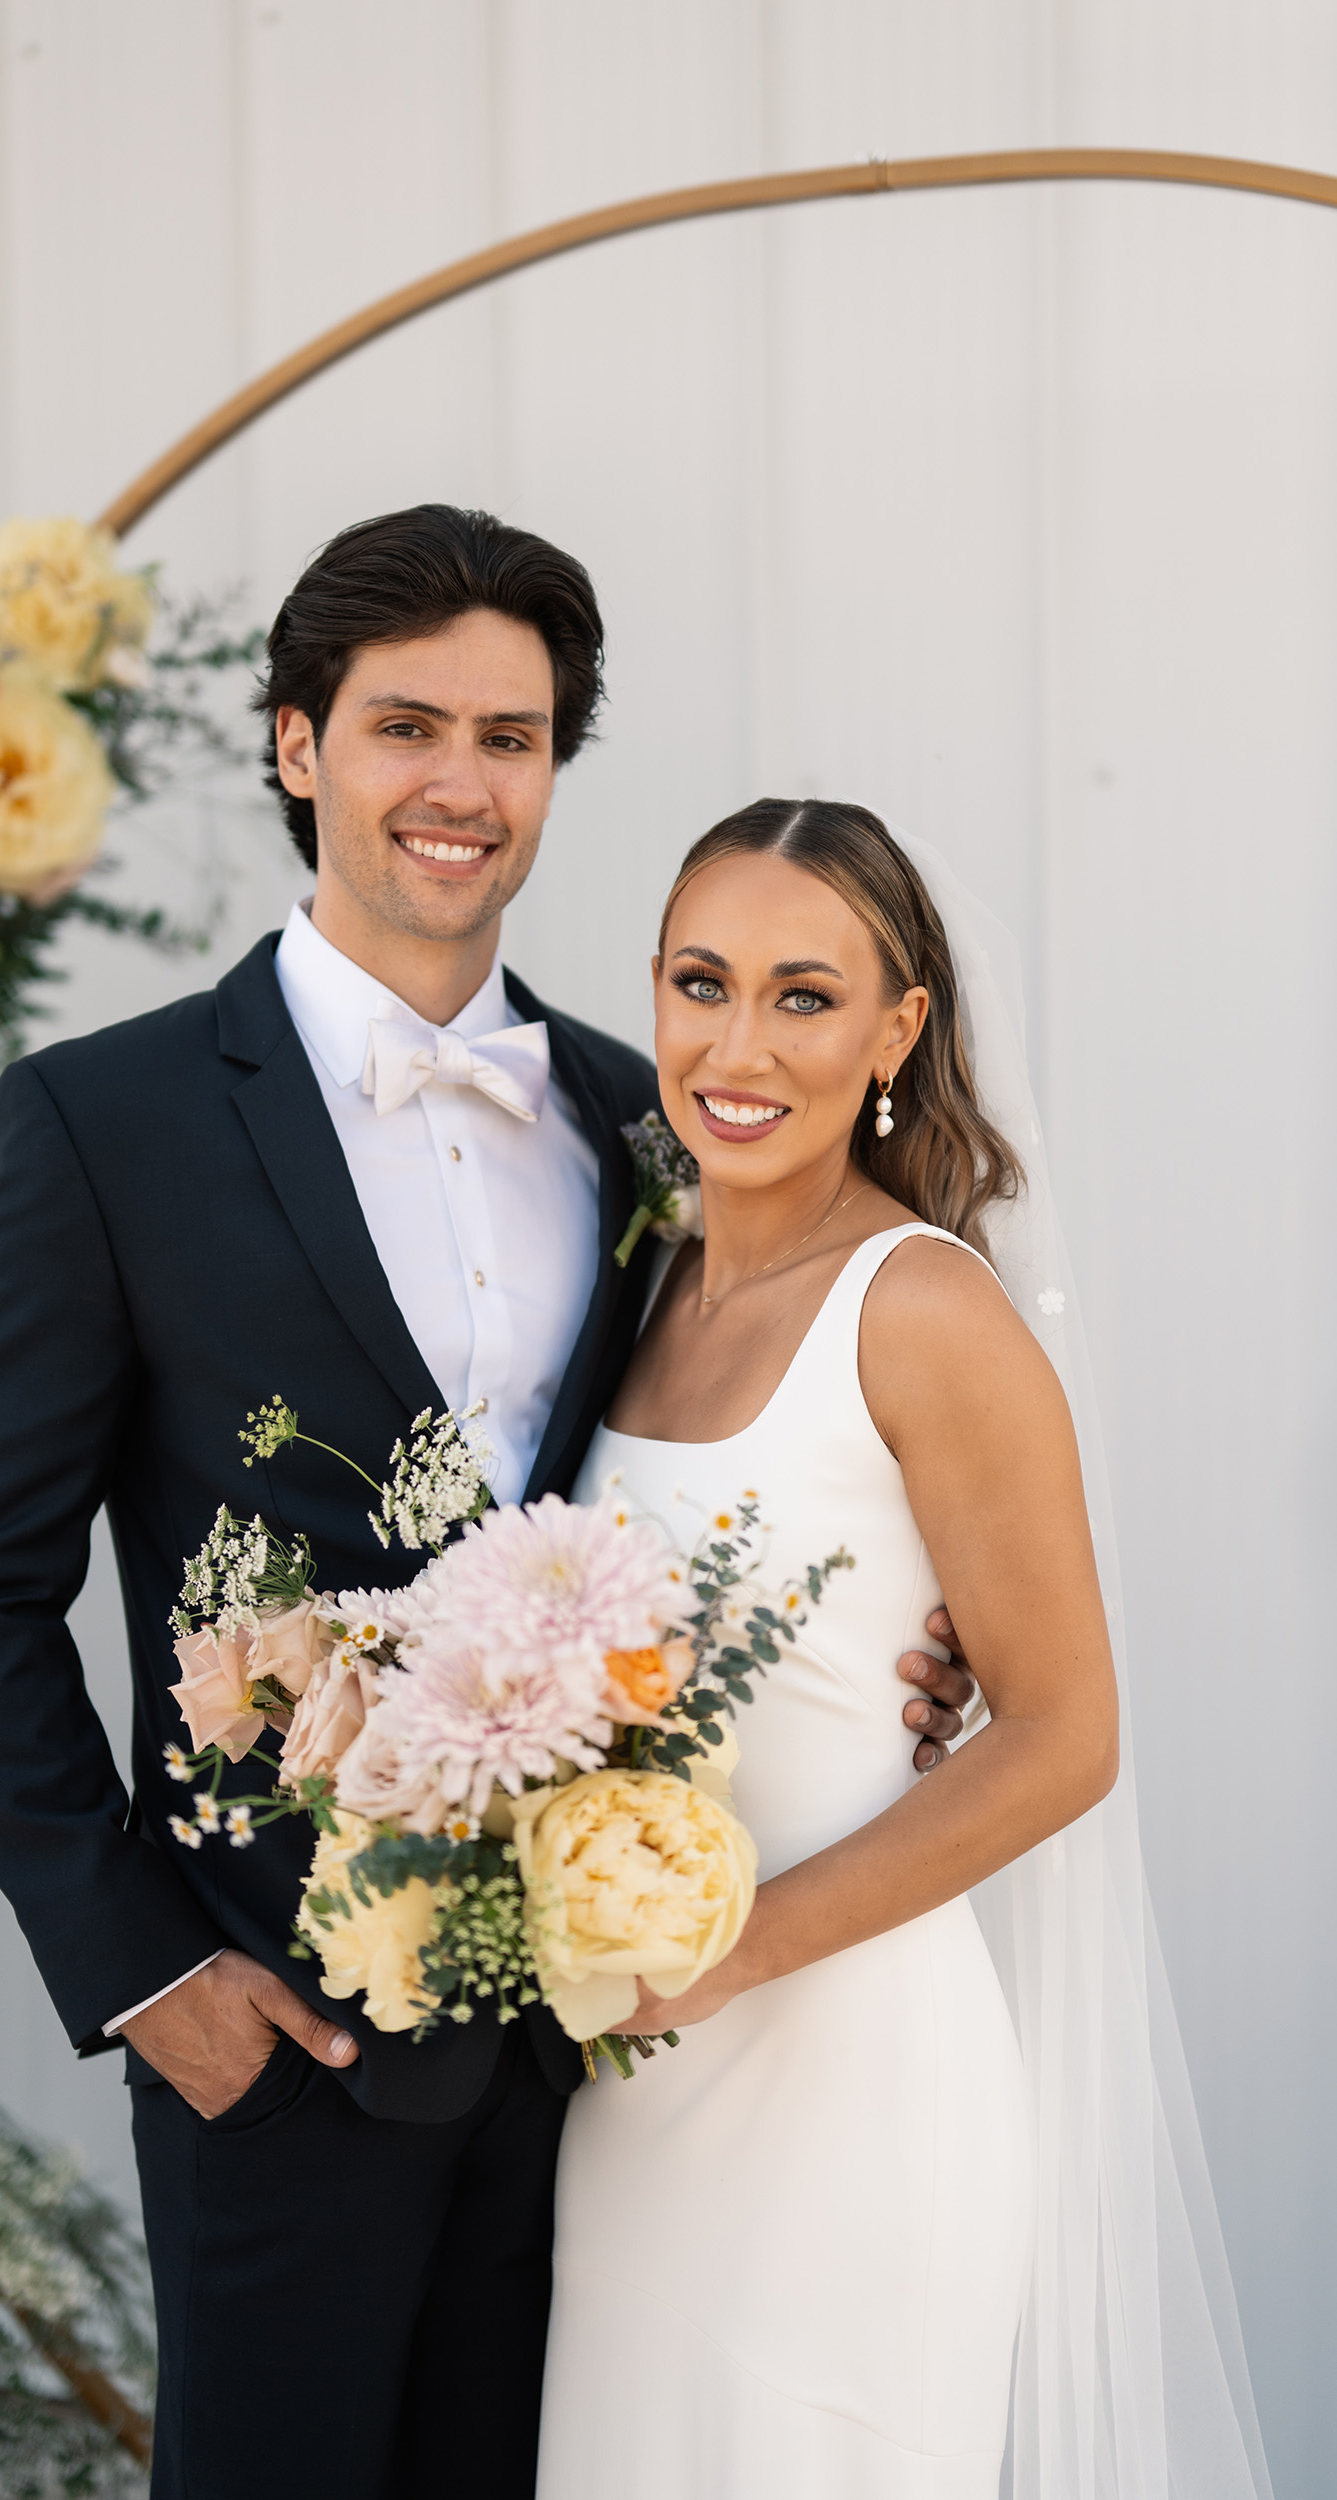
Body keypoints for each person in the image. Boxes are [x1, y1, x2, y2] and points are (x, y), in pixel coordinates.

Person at [0, 511, 979, 2500]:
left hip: (611, 2035)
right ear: (300, 743)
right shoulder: (103, 1118)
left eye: (513, 734)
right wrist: (145, 1969)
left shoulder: (646, 1115)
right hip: (275, 2024)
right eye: (407, 725)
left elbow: (769, 1449)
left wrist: (923, 1631)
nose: (462, 783)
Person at [536, 800, 1273, 2500]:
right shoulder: (650, 1285)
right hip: (634, 2093)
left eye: (804, 996)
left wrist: (735, 1952)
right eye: (699, 983)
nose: (738, 1045)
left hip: (846, 2086)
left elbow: (1067, 1734)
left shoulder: (923, 1307)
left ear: (898, 1030)